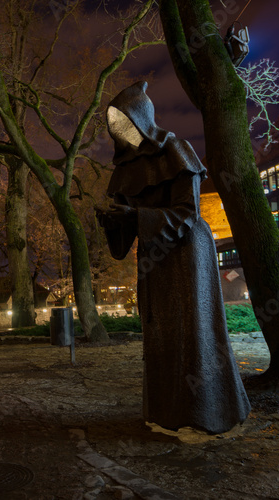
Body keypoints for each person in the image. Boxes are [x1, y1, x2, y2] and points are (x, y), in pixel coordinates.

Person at [96, 81, 250, 434]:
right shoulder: (125, 170)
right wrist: (111, 222)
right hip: (154, 259)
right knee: (161, 334)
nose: (121, 131)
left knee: (191, 333)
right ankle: (166, 413)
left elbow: (187, 214)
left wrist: (135, 217)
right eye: (115, 126)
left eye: (126, 122)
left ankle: (204, 413)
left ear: (142, 119)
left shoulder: (175, 150)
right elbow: (120, 247)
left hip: (187, 254)